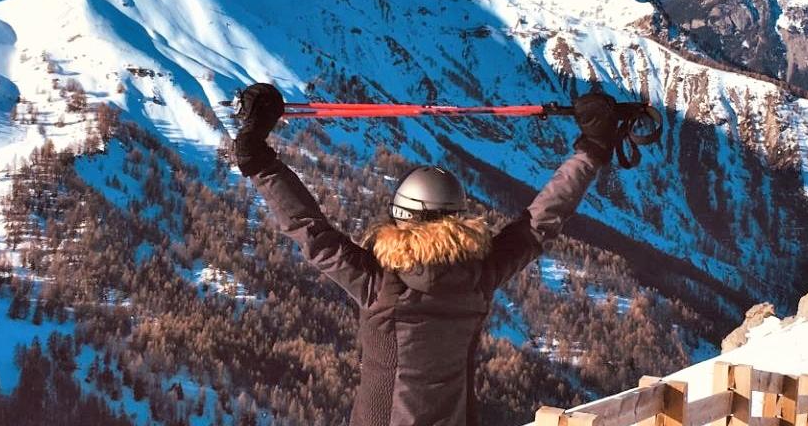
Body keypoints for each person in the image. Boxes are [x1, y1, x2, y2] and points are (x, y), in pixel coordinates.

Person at [230, 83, 632, 426]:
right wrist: (591, 150)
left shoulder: (380, 283)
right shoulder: (480, 273)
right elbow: (540, 221)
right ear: (458, 216)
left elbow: (311, 230)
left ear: (401, 215)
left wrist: (258, 160)